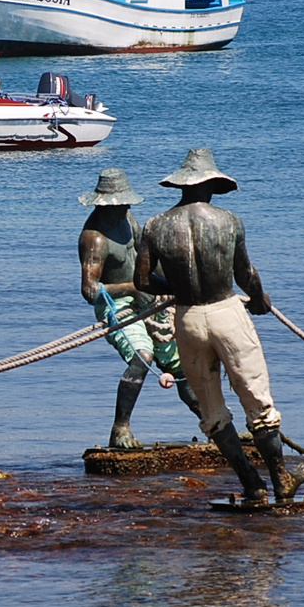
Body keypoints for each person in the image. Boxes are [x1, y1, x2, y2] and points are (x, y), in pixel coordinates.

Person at [134, 149, 304, 505]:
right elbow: (245, 274)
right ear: (211, 184)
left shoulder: (155, 225)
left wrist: (177, 288)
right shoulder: (228, 221)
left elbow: (142, 280)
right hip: (227, 312)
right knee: (257, 401)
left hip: (188, 319)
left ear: (182, 185)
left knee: (211, 409)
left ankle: (251, 483)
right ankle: (280, 479)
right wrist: (259, 299)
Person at [77, 168, 202, 450]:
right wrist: (134, 289)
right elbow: (90, 291)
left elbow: (143, 260)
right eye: (121, 203)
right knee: (143, 355)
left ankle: (213, 422)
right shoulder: (94, 239)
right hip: (117, 304)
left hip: (147, 295)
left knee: (181, 364)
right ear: (105, 204)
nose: (127, 206)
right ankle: (120, 428)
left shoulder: (128, 220)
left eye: (127, 202)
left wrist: (174, 284)